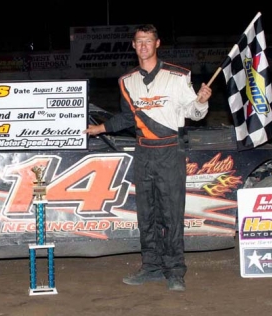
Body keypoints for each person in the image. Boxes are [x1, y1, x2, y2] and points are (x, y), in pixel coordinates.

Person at [83, 24, 212, 292]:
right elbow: (128, 118)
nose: (143, 46)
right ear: (133, 45)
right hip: (143, 152)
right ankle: (151, 266)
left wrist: (201, 101)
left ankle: (175, 271)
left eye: (148, 41)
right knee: (147, 214)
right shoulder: (126, 81)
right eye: (139, 41)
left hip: (169, 150)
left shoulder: (177, 76)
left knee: (171, 213)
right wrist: (100, 128)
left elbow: (194, 113)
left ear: (157, 43)